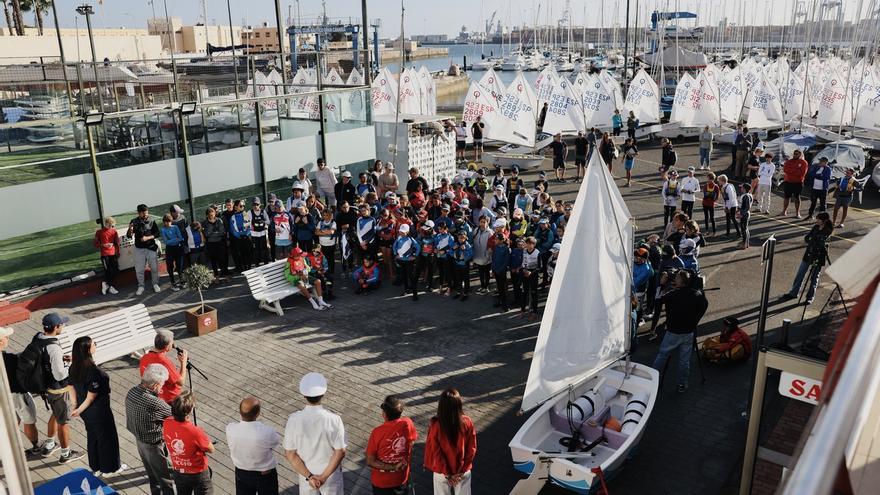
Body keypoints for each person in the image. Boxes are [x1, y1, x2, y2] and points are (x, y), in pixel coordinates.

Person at [68, 336, 124, 476]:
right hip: (98, 411)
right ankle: (109, 469)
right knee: (107, 438)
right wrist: (78, 410)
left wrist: (75, 405)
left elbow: (70, 386)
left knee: (93, 437)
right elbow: (91, 397)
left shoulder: (74, 367)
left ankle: (96, 467)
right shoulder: (96, 373)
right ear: (88, 350)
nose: (96, 345)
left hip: (85, 412)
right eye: (94, 344)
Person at [284, 372, 347, 495]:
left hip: (306, 475)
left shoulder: (293, 419)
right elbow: (340, 452)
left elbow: (290, 454)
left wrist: (310, 476)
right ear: (323, 394)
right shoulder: (334, 419)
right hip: (331, 474)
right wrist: (323, 476)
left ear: (304, 394)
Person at [651, 270, 709, 393]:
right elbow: (704, 305)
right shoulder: (696, 294)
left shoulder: (673, 295)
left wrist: (661, 285)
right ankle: (681, 384)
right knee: (684, 361)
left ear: (681, 282)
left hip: (673, 332)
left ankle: (651, 380)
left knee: (662, 355)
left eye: (676, 278)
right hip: (689, 332)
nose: (674, 279)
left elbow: (657, 301)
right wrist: (695, 320)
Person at [126, 364, 174, 495]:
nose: (163, 387)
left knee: (152, 476)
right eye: (162, 384)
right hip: (153, 445)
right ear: (155, 385)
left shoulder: (131, 391)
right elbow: (175, 415)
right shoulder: (155, 403)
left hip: (139, 440)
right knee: (165, 479)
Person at [424, 388, 477, 495]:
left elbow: (436, 451)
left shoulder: (436, 425)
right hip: (462, 472)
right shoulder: (467, 422)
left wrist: (448, 473)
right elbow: (471, 448)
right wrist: (462, 470)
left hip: (441, 472)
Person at [227, 397, 282, 495]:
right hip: (264, 474)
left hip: (241, 472)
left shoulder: (230, 428)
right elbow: (276, 442)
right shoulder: (267, 432)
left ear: (240, 412)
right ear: (258, 413)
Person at [164, 391, 215, 494]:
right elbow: (211, 449)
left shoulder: (167, 422)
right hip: (197, 473)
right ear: (190, 412)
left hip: (179, 471)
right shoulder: (195, 431)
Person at [0, 326, 41, 457]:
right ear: (0, 342)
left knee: (11, 423)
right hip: (16, 394)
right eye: (6, 337)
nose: (7, 339)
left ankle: (8, 449)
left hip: (3, 396)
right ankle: (36, 447)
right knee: (29, 421)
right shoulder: (9, 360)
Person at [366, 396, 419, 495]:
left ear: (384, 415)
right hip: (401, 479)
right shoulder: (408, 423)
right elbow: (412, 441)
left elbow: (370, 461)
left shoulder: (377, 432)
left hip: (381, 483)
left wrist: (393, 467)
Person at [780, 212, 834, 305]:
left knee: (814, 278)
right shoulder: (815, 227)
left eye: (818, 219)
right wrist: (812, 240)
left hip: (818, 256)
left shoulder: (828, 230)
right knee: (800, 274)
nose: (816, 221)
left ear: (824, 221)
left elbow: (820, 242)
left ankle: (810, 297)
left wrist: (812, 240)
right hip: (809, 254)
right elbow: (807, 238)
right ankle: (793, 293)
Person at [139, 330, 187, 404]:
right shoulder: (164, 362)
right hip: (170, 399)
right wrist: (183, 363)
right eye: (172, 343)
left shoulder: (144, 357)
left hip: (155, 397)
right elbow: (181, 382)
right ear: (167, 347)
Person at [128, 204, 161, 295]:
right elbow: (129, 236)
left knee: (154, 267)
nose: (146, 214)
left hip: (151, 247)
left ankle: (155, 284)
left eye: (147, 212)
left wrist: (148, 238)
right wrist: (130, 229)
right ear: (139, 213)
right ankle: (141, 286)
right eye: (144, 212)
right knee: (139, 269)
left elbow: (157, 234)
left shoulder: (152, 220)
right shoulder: (134, 221)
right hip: (139, 249)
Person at [392, 224, 420, 301]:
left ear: (407, 232)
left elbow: (418, 247)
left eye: (403, 232)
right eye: (400, 231)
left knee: (411, 277)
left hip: (408, 261)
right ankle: (406, 289)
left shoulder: (411, 239)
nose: (401, 233)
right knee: (404, 276)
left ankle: (415, 294)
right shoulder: (398, 238)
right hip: (401, 260)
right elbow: (394, 246)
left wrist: (414, 256)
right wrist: (396, 254)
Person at [94, 216, 120, 295]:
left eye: (113, 226)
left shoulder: (114, 232)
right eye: (110, 225)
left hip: (113, 254)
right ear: (106, 223)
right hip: (105, 255)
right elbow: (95, 244)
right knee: (108, 271)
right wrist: (103, 245)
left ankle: (106, 284)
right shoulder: (99, 232)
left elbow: (117, 243)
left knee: (115, 270)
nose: (111, 227)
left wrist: (117, 253)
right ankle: (110, 286)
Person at [160, 213, 186, 291]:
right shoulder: (163, 230)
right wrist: (176, 239)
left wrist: (174, 239)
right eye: (165, 222)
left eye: (169, 221)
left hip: (178, 249)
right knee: (170, 267)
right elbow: (166, 242)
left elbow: (181, 238)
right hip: (169, 250)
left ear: (171, 221)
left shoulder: (175, 227)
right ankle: (173, 284)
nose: (167, 223)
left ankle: (182, 281)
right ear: (164, 222)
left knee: (180, 266)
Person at [781, 149, 809, 218]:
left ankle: (797, 213)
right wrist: (796, 170)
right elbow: (785, 170)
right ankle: (784, 211)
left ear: (800, 155)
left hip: (798, 183)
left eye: (797, 154)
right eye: (794, 153)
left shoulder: (804, 162)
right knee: (786, 197)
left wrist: (791, 171)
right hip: (788, 182)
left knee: (797, 198)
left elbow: (802, 173)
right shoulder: (788, 162)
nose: (795, 155)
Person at [204, 206, 229, 279]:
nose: (212, 216)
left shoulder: (219, 221)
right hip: (211, 244)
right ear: (207, 215)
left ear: (215, 213)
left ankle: (226, 275)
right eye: (210, 215)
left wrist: (213, 233)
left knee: (222, 259)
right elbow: (206, 234)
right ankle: (216, 276)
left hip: (220, 243)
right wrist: (215, 232)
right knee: (213, 261)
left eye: (213, 214)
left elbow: (222, 232)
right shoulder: (205, 223)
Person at [230, 199, 254, 272]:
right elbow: (233, 229)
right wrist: (239, 235)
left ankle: (249, 267)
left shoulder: (245, 214)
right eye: (241, 206)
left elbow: (249, 226)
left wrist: (246, 234)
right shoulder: (233, 217)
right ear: (236, 207)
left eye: (244, 206)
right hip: (239, 239)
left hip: (246, 237)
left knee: (248, 253)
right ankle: (244, 267)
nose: (243, 207)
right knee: (241, 254)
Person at [472, 216, 493, 294]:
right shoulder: (476, 230)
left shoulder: (490, 232)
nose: (482, 223)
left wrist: (487, 254)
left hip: (486, 257)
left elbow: (491, 246)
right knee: (480, 272)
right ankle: (482, 286)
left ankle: (486, 287)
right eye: (481, 221)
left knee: (486, 273)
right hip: (478, 256)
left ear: (488, 223)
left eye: (484, 222)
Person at [247, 198, 271, 266]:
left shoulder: (263, 211)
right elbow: (247, 224)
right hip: (254, 234)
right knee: (256, 250)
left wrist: (264, 222)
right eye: (254, 204)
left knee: (264, 249)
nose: (255, 206)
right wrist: (249, 233)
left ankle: (266, 263)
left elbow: (268, 221)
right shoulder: (249, 212)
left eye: (257, 204)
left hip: (263, 233)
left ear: (260, 204)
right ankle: (257, 264)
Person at [521, 236, 541, 316]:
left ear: (534, 244)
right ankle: (523, 310)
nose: (528, 245)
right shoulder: (524, 251)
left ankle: (534, 311)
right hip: (525, 273)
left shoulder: (537, 253)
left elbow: (540, 267)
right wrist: (524, 270)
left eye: (530, 244)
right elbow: (523, 262)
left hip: (533, 274)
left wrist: (531, 273)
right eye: (527, 243)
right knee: (524, 292)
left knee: (534, 293)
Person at [451, 230, 473, 300]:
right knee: (458, 279)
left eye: (462, 237)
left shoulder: (467, 245)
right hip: (457, 264)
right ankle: (458, 292)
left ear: (465, 238)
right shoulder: (456, 244)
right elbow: (451, 253)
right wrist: (453, 249)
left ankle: (466, 293)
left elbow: (470, 255)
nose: (460, 239)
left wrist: (464, 250)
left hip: (464, 265)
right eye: (459, 237)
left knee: (466, 279)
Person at [718, 174, 740, 238]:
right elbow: (725, 199)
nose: (718, 182)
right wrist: (725, 207)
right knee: (728, 219)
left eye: (719, 180)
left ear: (722, 180)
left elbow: (732, 198)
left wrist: (729, 208)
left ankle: (739, 233)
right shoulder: (724, 187)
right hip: (729, 205)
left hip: (732, 205)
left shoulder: (728, 187)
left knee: (733, 219)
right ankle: (728, 233)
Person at [739, 184, 754, 249]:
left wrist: (741, 214)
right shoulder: (749, 195)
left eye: (742, 187)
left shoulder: (746, 196)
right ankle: (746, 243)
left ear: (744, 189)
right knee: (746, 229)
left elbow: (747, 207)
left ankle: (744, 244)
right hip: (745, 214)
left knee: (744, 229)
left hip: (744, 214)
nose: (741, 188)